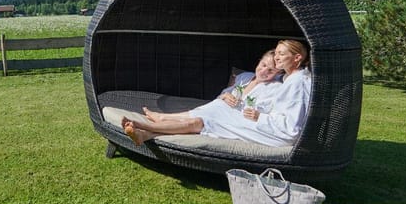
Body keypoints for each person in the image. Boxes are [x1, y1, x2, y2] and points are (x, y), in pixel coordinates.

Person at [122, 40, 312, 148]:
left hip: (271, 133)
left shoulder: (292, 83)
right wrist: (225, 97)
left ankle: (149, 123)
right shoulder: (291, 79)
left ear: (297, 58)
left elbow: (291, 128)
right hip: (255, 121)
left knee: (204, 120)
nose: (277, 59)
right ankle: (145, 134)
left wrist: (259, 117)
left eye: (281, 55)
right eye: (275, 55)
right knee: (211, 113)